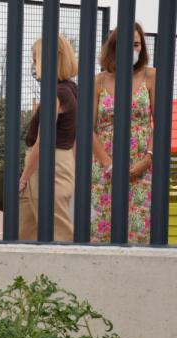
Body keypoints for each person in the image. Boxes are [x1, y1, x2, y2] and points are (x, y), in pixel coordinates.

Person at [91, 23, 156, 243]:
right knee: (102, 233)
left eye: (136, 44)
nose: (132, 50)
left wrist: (148, 158)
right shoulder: (99, 81)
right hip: (104, 168)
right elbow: (88, 129)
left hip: (143, 167)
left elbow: (161, 123)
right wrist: (108, 164)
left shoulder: (151, 76)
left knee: (139, 234)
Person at [19, 35, 79, 242]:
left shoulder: (56, 94)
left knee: (57, 231)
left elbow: (42, 142)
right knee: (27, 228)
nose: (33, 64)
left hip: (48, 165)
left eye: (35, 58)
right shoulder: (71, 90)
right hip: (60, 163)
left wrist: (24, 178)